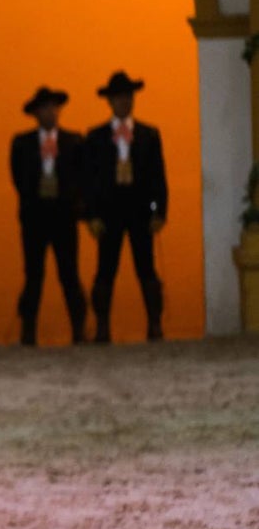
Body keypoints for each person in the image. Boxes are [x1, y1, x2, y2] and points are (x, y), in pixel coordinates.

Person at [83, 71, 168, 342]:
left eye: (127, 97)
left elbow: (158, 177)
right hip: (109, 212)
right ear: (110, 101)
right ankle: (103, 327)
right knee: (106, 269)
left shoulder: (149, 134)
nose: (124, 102)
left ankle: (154, 324)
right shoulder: (95, 137)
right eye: (119, 97)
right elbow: (90, 181)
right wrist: (92, 214)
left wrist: (158, 211)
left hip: (140, 210)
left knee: (146, 268)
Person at [9, 86, 88, 346]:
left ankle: (79, 328)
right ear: (36, 113)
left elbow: (80, 178)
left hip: (63, 215)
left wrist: (72, 202)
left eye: (53, 107)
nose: (50, 112)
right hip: (35, 217)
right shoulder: (22, 144)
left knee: (69, 273)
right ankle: (28, 329)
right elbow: (19, 180)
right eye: (45, 108)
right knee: (33, 274)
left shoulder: (73, 141)